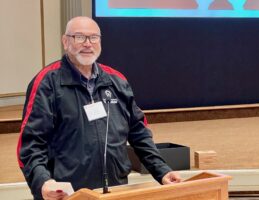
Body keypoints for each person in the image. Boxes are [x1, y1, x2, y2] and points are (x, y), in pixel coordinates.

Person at [16, 16, 181, 200]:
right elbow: (30, 145)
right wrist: (43, 182)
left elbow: (139, 133)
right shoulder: (47, 83)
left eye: (93, 37)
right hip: (67, 195)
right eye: (80, 37)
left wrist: (162, 171)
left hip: (114, 191)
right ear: (65, 41)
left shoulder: (117, 81)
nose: (88, 44)